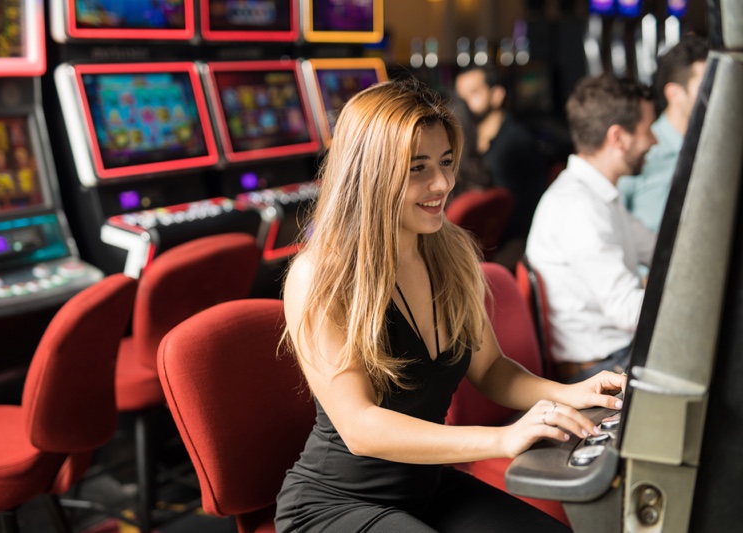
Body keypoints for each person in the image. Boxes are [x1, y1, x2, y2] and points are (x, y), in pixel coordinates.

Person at [274, 78, 626, 532]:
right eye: (417, 167)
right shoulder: (320, 275)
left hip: (427, 486)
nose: (442, 183)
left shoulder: (450, 252)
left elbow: (492, 370)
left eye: (445, 162)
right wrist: (502, 439)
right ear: (369, 172)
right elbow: (359, 428)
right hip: (335, 504)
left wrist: (568, 393)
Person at [525, 74, 658, 384]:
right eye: (648, 129)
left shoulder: (598, 196)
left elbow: (661, 250)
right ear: (618, 137)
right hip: (600, 369)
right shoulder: (579, 207)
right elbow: (628, 310)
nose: (655, 140)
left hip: (618, 353)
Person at [454, 64, 548, 262]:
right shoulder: (470, 141)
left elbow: (514, 213)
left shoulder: (513, 142)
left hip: (512, 246)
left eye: (473, 93)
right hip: (482, 247)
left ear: (497, 95)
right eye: (460, 96)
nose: (464, 102)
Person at [617, 35, 709, 232]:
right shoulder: (639, 151)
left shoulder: (722, 148)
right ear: (675, 94)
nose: (717, 96)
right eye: (707, 88)